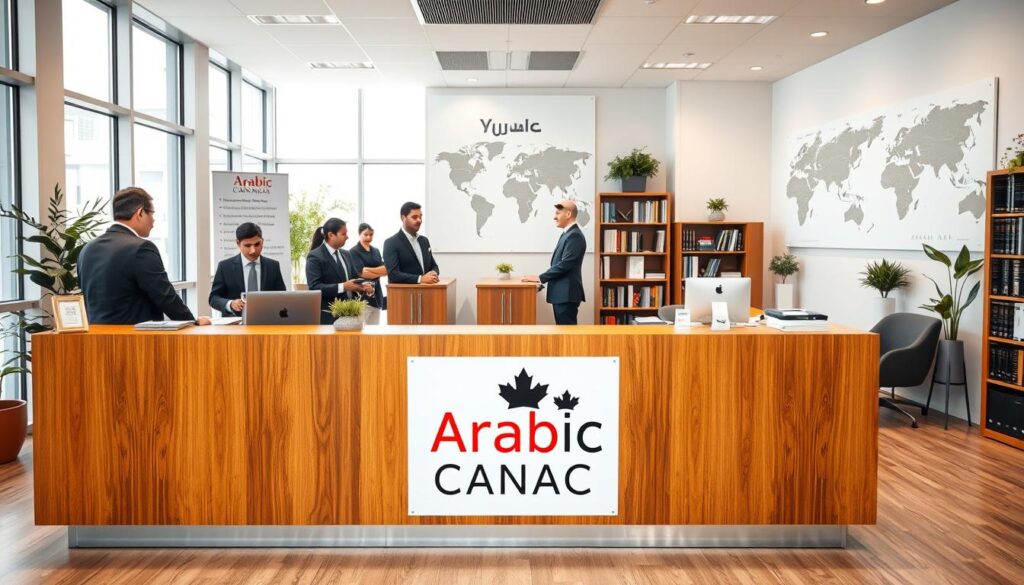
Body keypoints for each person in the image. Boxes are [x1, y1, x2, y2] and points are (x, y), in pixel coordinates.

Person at [78, 187, 210, 325]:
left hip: (95, 340)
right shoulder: (141, 248)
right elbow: (165, 296)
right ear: (140, 213)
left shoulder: (87, 249)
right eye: (152, 214)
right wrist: (193, 322)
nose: (153, 221)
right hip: (137, 341)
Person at [523, 200, 586, 325]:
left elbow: (565, 265)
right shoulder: (567, 234)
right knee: (563, 334)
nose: (554, 217)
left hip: (566, 294)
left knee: (567, 335)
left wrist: (539, 278)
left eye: (558, 213)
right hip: (562, 294)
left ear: (568, 214)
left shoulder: (574, 236)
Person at [305, 218, 375, 325]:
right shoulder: (315, 256)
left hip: (351, 317)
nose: (347, 237)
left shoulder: (346, 254)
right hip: (328, 318)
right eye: (343, 234)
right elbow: (315, 287)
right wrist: (343, 286)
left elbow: (355, 279)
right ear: (331, 235)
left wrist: (364, 286)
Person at [209, 222, 287, 316]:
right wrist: (230, 304)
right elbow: (213, 298)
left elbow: (282, 297)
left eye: (257, 244)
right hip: (235, 326)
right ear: (238, 243)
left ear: (262, 241)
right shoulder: (225, 267)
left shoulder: (273, 266)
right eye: (247, 245)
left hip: (267, 322)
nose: (253, 250)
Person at [382, 201, 440, 284]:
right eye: (414, 217)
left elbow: (434, 266)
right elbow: (393, 275)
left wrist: (433, 273)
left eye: (420, 217)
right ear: (403, 218)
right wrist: (420, 279)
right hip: (403, 294)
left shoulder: (424, 241)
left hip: (427, 291)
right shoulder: (391, 243)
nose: (419, 220)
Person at [349, 223, 388, 310]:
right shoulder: (353, 251)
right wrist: (378, 272)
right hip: (363, 291)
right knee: (363, 321)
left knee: (377, 321)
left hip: (377, 291)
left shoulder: (376, 251)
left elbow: (386, 270)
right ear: (359, 234)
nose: (368, 237)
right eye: (365, 234)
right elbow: (362, 273)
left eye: (371, 234)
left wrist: (368, 270)